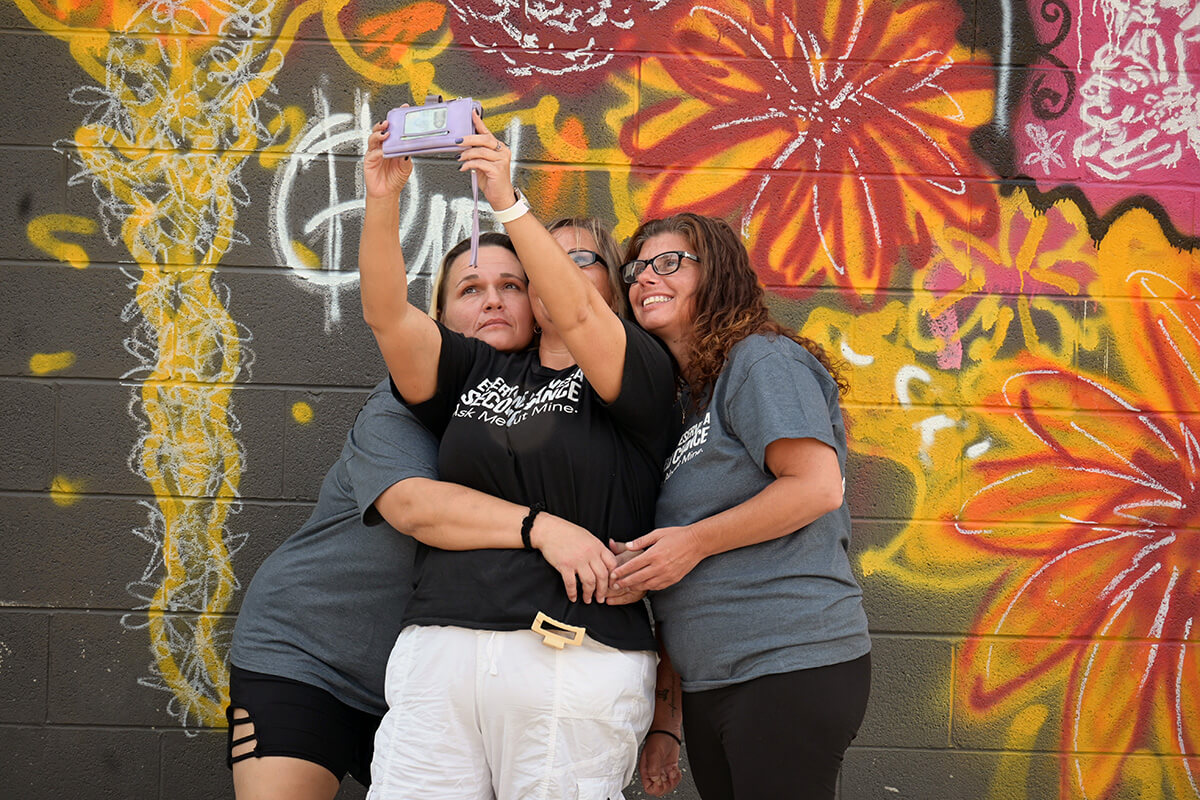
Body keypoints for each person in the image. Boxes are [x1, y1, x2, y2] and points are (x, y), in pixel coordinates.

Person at [358, 112, 679, 800]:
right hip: (440, 647)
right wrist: (382, 199)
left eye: (577, 258)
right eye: (540, 260)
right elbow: (389, 315)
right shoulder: (478, 370)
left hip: (572, 655)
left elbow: (586, 320)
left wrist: (507, 199)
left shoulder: (640, 372)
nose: (552, 270)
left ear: (614, 285)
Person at [227, 232, 589, 799]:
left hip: (429, 681)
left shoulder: (568, 408)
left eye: (511, 286)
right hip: (307, 654)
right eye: (471, 289)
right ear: (437, 318)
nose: (493, 300)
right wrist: (543, 528)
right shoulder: (400, 402)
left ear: (539, 304)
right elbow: (413, 507)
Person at [610, 213, 872, 800]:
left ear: (718, 275)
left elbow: (816, 486)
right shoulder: (687, 403)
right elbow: (682, 572)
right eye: (637, 269)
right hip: (714, 680)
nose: (646, 278)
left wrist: (692, 542)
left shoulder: (760, 361)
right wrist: (667, 723)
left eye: (669, 262)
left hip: (787, 663)